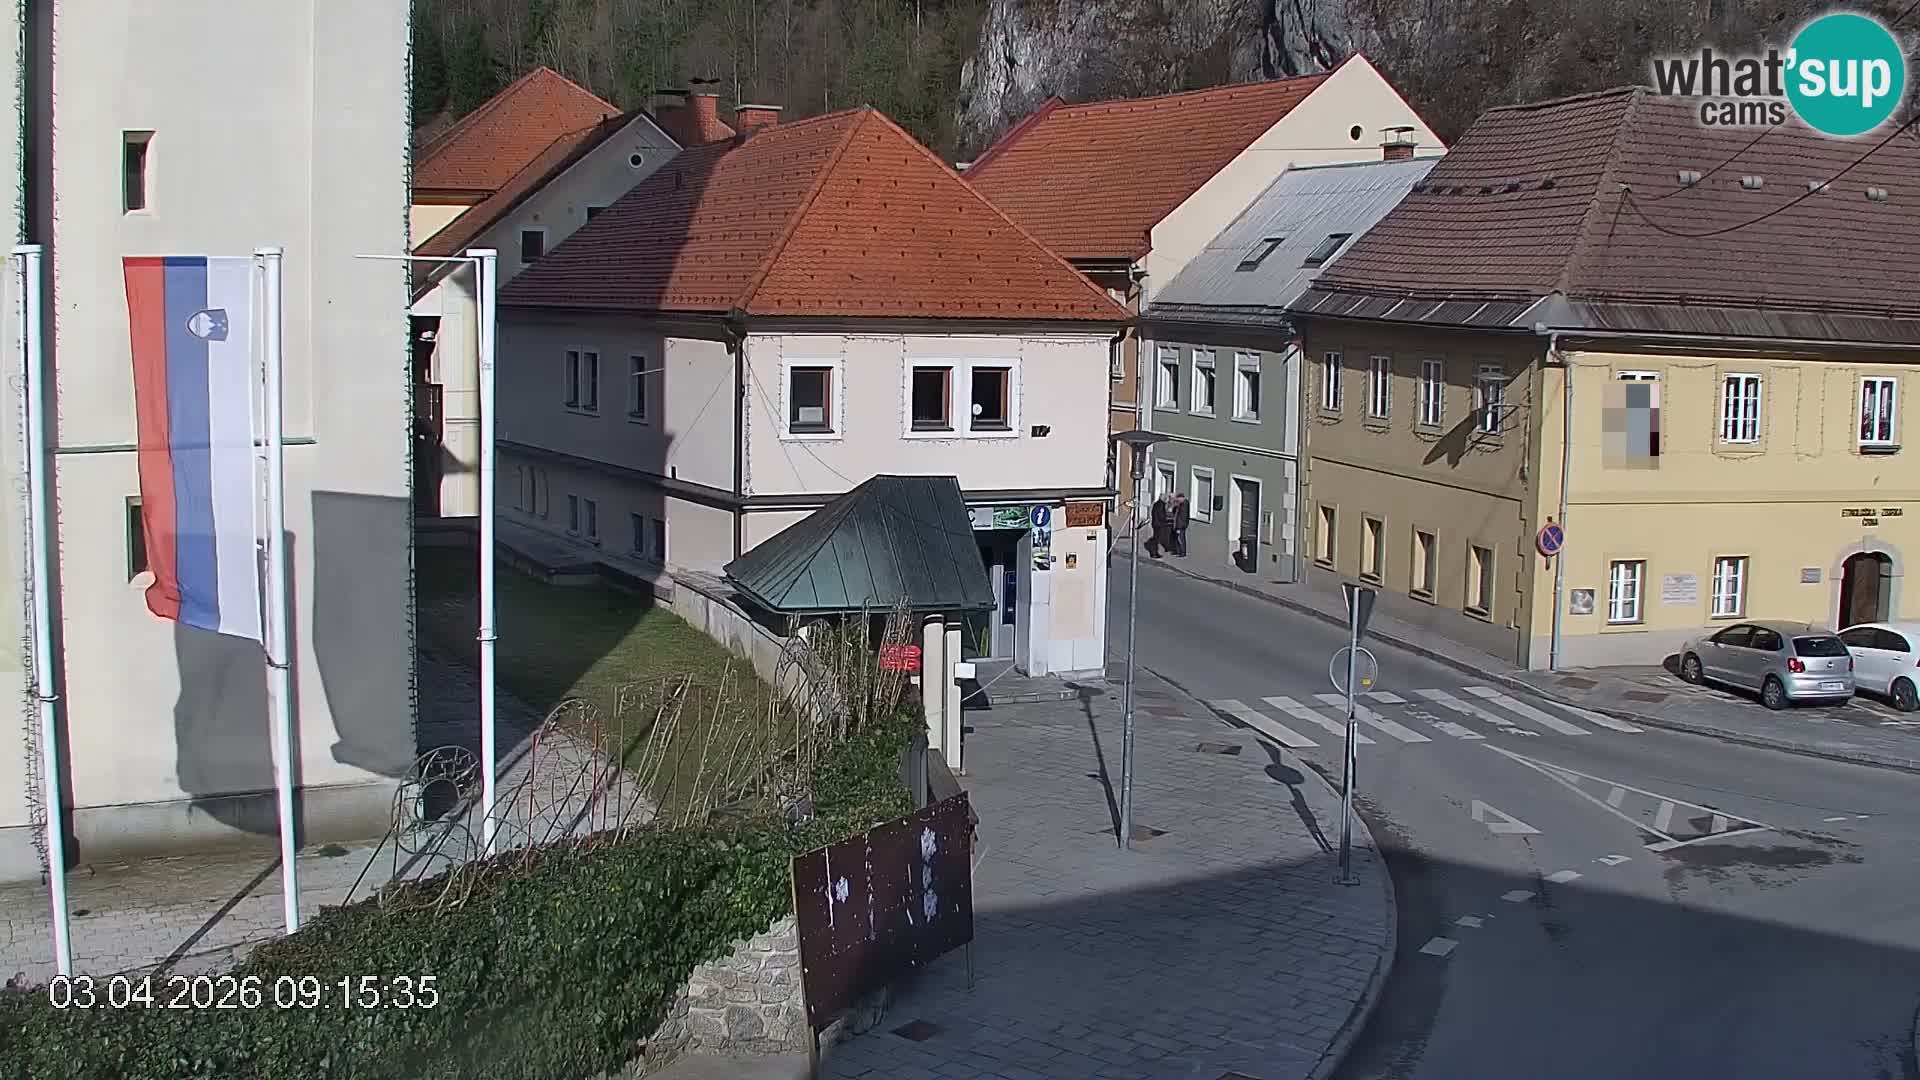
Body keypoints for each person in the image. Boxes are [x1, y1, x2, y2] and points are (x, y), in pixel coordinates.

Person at [1148, 492, 1172, 558]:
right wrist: (1167, 520)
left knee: (1156, 538)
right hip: (1159, 524)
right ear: (1163, 499)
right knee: (1156, 539)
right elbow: (1161, 516)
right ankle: (1154, 553)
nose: (1167, 500)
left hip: (1155, 523)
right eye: (1166, 498)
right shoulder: (1161, 505)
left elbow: (1155, 514)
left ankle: (1155, 552)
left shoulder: (1157, 504)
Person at [1171, 492, 1191, 557]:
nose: (1177, 500)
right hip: (1180, 525)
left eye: (1178, 499)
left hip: (1180, 525)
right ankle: (1178, 551)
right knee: (1178, 538)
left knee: (1180, 539)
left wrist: (1179, 527)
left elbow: (1181, 517)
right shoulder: (1182, 504)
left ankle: (1182, 552)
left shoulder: (1183, 505)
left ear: (1181, 498)